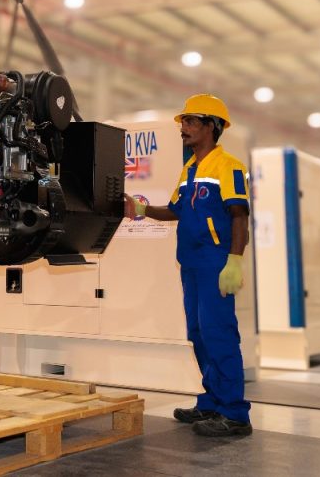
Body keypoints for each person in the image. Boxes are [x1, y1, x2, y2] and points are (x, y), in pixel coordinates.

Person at [125, 94, 252, 437]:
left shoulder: (229, 166)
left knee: (218, 333)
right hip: (191, 263)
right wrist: (142, 210)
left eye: (191, 121)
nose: (184, 127)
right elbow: (176, 210)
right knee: (198, 334)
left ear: (212, 126)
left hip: (215, 263)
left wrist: (235, 260)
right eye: (183, 122)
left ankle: (235, 413)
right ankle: (211, 402)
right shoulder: (189, 169)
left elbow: (239, 216)